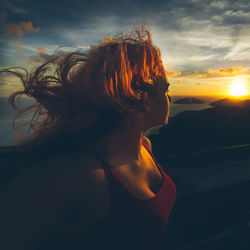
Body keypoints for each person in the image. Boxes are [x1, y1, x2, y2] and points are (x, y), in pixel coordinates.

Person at [0, 24, 177, 250]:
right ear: (145, 99)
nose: (168, 99)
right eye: (165, 91)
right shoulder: (75, 174)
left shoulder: (144, 146)